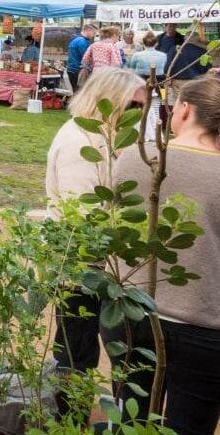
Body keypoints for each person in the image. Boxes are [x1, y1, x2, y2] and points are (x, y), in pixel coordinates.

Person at [103, 76, 220, 435]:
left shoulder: (133, 159)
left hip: (132, 317)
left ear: (183, 110)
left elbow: (112, 232)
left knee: (128, 427)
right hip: (210, 327)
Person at [45, 69, 147, 376]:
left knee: (98, 348)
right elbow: (83, 214)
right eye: (132, 106)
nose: (139, 114)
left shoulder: (108, 137)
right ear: (107, 101)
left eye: (144, 107)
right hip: (80, 264)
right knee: (76, 353)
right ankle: (68, 421)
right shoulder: (81, 142)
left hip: (100, 262)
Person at [66, 24, 96, 92]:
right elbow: (86, 58)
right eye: (94, 33)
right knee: (80, 93)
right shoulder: (82, 41)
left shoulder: (76, 39)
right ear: (88, 31)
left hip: (71, 69)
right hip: (77, 71)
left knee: (76, 91)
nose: (93, 35)